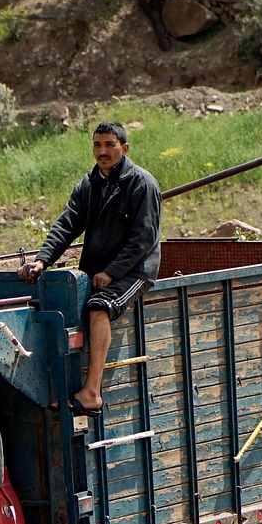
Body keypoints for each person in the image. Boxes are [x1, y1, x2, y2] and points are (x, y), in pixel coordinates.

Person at [18, 122, 161, 411]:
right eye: (97, 145)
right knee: (64, 305)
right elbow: (67, 224)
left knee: (98, 307)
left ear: (124, 148)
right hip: (97, 270)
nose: (102, 151)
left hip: (135, 270)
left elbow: (143, 239)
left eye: (110, 144)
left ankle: (92, 393)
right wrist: (42, 260)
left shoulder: (141, 183)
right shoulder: (89, 184)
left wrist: (112, 272)